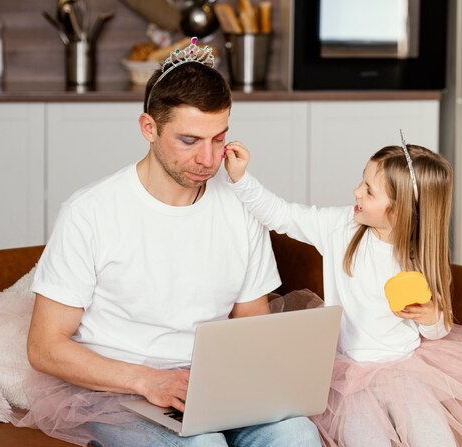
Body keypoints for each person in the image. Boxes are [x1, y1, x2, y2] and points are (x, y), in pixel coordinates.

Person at [16, 38, 321, 447]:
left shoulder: (240, 208)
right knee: (203, 444)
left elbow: (252, 321)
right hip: (121, 392)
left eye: (218, 139)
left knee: (298, 434)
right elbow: (44, 346)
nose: (209, 160)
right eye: (189, 141)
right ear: (149, 128)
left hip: (212, 389)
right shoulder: (90, 212)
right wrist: (149, 381)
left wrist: (251, 387)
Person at [223, 139, 462, 446]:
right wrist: (240, 179)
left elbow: (438, 330)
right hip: (349, 378)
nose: (357, 191)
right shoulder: (340, 228)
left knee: (434, 437)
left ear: (399, 212)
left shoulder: (418, 256)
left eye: (370, 191)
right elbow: (282, 214)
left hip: (407, 371)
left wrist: (432, 317)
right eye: (363, 181)